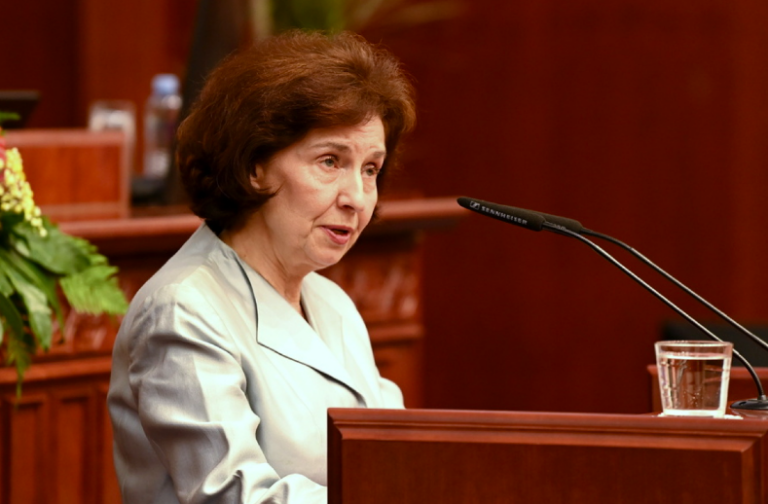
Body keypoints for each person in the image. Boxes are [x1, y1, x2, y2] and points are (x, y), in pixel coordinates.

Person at [107, 30, 416, 504]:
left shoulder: (331, 302)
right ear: (254, 165)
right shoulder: (183, 310)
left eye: (370, 169)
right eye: (330, 161)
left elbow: (395, 456)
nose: (357, 198)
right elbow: (232, 495)